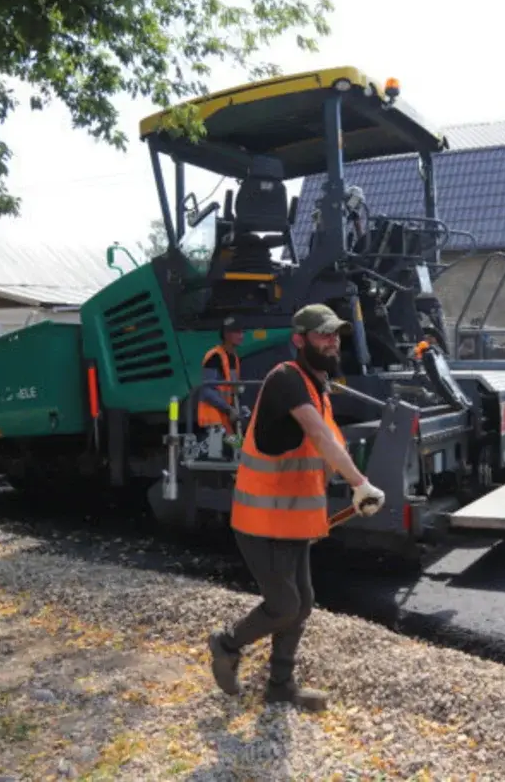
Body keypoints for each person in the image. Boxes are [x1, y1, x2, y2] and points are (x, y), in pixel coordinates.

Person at [207, 303, 385, 711]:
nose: (332, 340)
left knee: (302, 603)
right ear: (299, 339)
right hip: (261, 519)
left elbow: (320, 451)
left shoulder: (315, 383)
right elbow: (320, 436)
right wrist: (360, 483)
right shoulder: (286, 379)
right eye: (323, 334)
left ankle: (281, 685)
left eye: (335, 334)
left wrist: (353, 489)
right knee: (284, 605)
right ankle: (226, 642)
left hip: (294, 518)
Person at [197, 316, 250, 452]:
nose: (241, 336)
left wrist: (239, 408)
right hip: (213, 418)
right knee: (216, 455)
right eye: (237, 332)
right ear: (226, 335)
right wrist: (229, 408)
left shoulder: (233, 357)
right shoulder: (214, 357)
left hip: (224, 417)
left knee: (238, 447)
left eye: (242, 332)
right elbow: (207, 391)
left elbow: (231, 388)